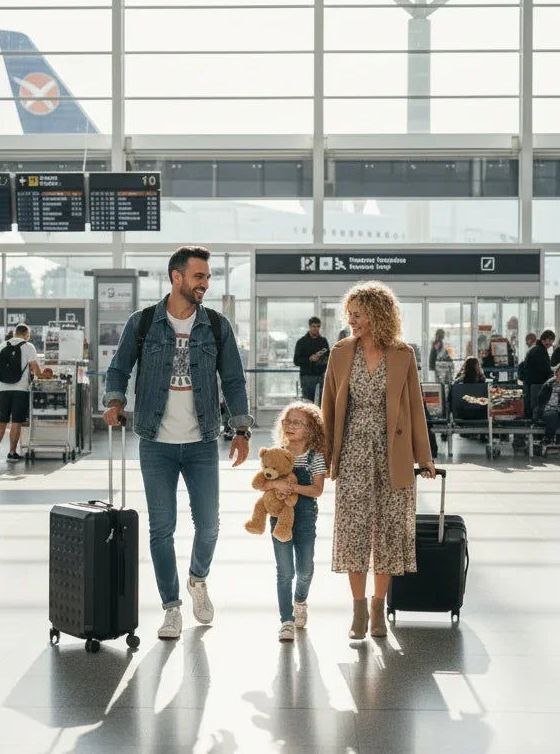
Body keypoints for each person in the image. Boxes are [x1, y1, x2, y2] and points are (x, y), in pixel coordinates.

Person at [103, 246, 252, 641]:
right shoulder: (144, 323)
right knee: (161, 529)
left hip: (202, 441)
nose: (205, 284)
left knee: (209, 526)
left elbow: (234, 381)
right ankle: (171, 608)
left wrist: (241, 430)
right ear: (176, 277)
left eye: (207, 278)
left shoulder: (216, 327)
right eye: (198, 277)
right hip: (156, 442)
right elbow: (118, 369)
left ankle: (197, 579)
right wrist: (115, 401)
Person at [321, 281, 437, 642]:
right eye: (350, 314)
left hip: (394, 454)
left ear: (377, 315)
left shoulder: (402, 355)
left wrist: (425, 458)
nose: (351, 320)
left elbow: (416, 408)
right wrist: (325, 459)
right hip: (353, 451)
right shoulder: (340, 353)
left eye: (358, 314)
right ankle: (357, 610)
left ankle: (377, 609)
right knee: (354, 532)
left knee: (387, 534)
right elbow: (327, 407)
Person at [259, 402, 327, 642]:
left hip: (306, 518)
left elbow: (317, 490)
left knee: (305, 569)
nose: (289, 426)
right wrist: (275, 484)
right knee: (284, 571)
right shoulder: (276, 454)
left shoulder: (315, 458)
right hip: (279, 519)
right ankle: (286, 621)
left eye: (296, 423)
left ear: (310, 429)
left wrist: (293, 487)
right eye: (287, 421)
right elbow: (261, 482)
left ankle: (300, 600)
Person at [0, 324, 41, 463]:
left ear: (15, 333)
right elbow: (34, 367)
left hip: (4, 388)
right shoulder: (29, 346)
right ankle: (12, 453)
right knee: (16, 421)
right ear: (25, 334)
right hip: (20, 388)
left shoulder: (3, 345)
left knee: (2, 420)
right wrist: (41, 377)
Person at [293, 317, 329, 403]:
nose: (315, 329)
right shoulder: (301, 342)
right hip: (307, 376)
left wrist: (322, 360)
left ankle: (321, 416)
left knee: (323, 402)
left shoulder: (323, 341)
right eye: (313, 326)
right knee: (308, 402)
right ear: (309, 327)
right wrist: (309, 359)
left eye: (317, 326)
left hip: (321, 375)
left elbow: (328, 357)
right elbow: (296, 360)